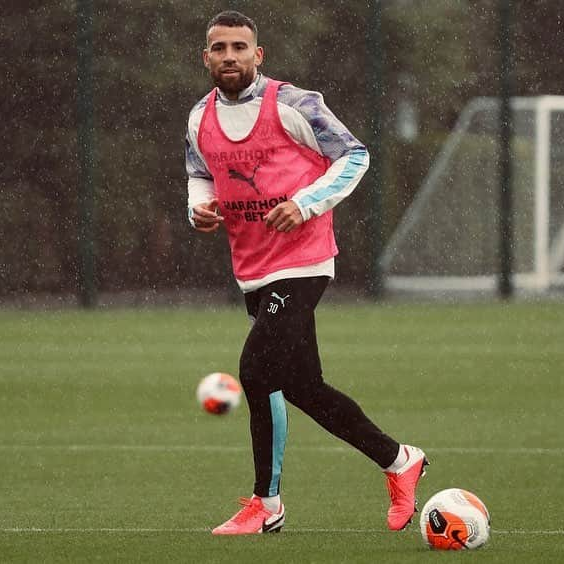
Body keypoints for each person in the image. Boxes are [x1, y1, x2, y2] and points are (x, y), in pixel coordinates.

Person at [185, 10, 428, 535]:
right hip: (252, 269)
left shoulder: (294, 104)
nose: (230, 56)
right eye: (220, 48)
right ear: (206, 57)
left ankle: (265, 504)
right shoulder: (198, 117)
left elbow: (354, 155)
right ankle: (399, 459)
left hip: (303, 261)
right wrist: (198, 207)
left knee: (254, 371)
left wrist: (305, 203)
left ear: (258, 55)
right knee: (301, 385)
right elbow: (200, 173)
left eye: (239, 47)